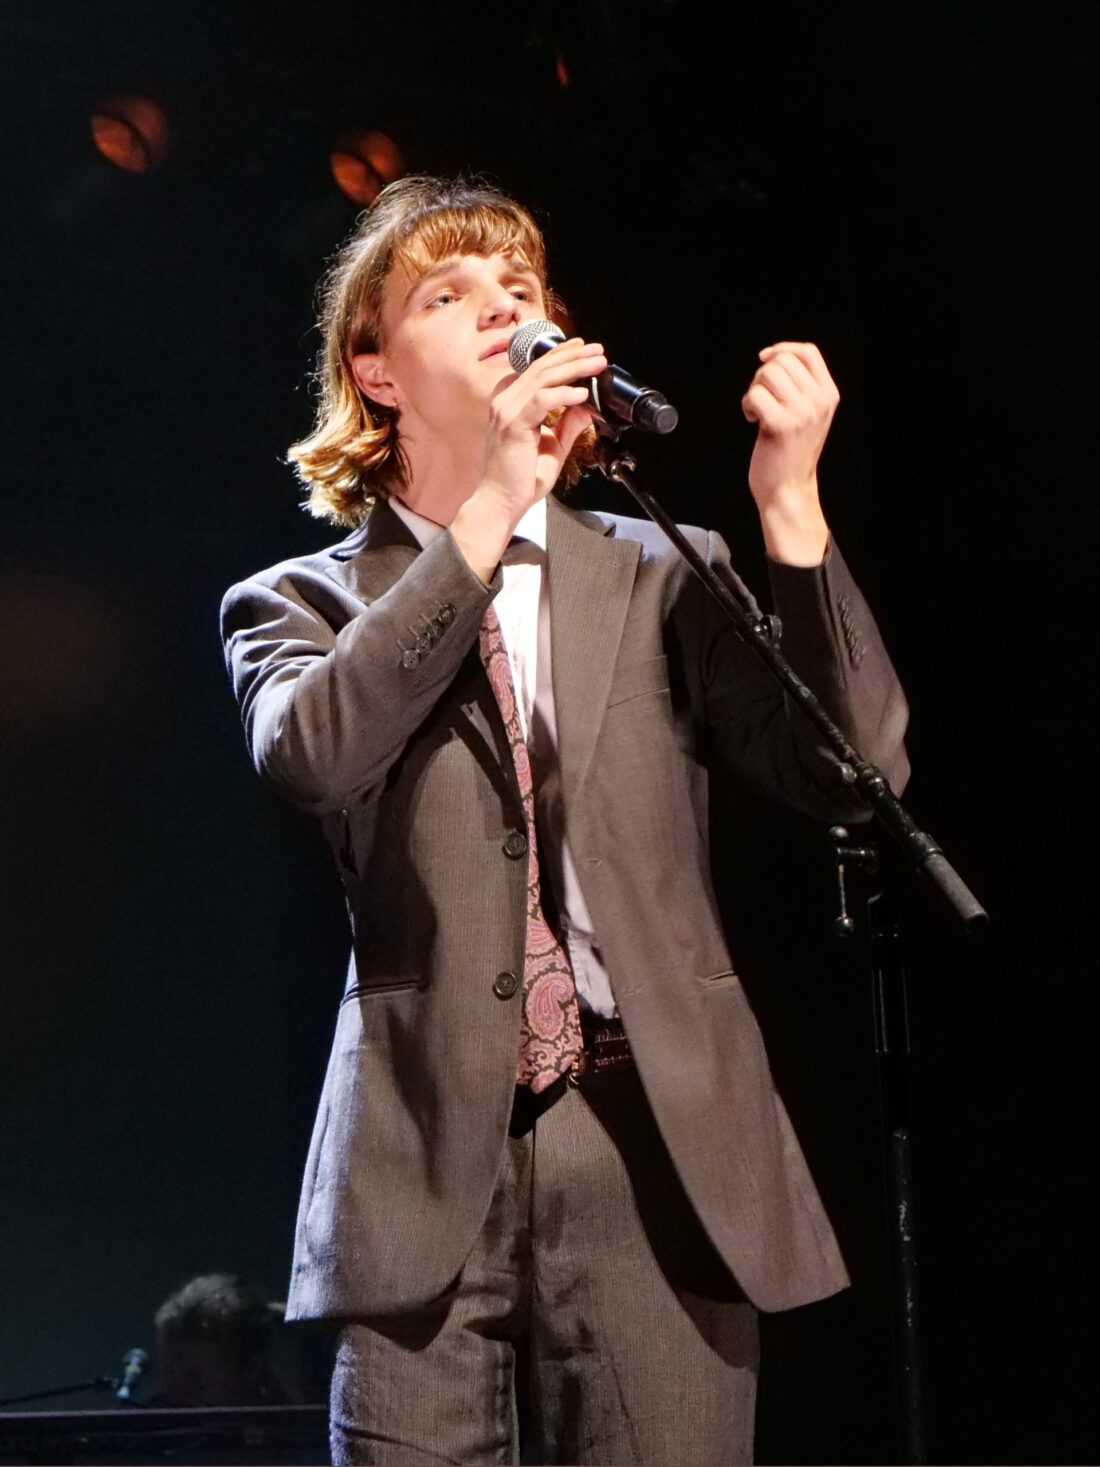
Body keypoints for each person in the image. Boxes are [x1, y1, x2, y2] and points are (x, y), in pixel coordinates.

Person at [220, 175, 909, 1466]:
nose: (501, 312)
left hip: (658, 1141)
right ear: (372, 368)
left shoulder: (658, 566)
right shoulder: (292, 603)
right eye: (450, 293)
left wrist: (791, 510)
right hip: (423, 1163)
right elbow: (314, 758)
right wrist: (484, 512)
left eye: (522, 292)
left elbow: (855, 768)